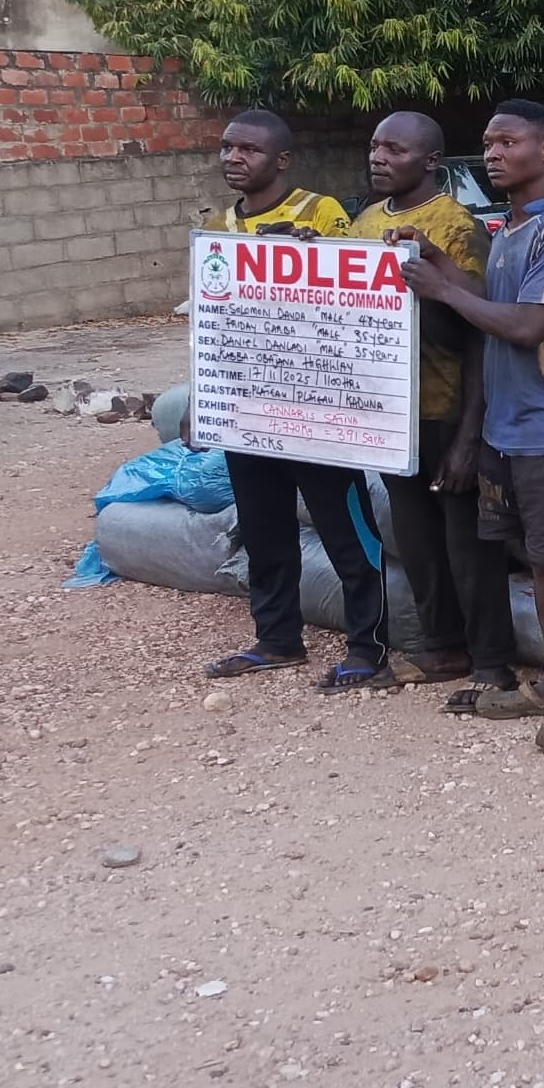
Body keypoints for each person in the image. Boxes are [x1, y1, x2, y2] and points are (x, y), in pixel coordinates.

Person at [399, 100, 544, 752]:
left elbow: (528, 325)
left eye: (507, 141)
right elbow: (489, 299)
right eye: (487, 143)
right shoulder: (510, 229)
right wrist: (436, 258)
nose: (492, 153)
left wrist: (444, 292)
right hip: (509, 430)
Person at [200, 110, 397, 692]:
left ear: (281, 160)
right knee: (264, 530)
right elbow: (213, 322)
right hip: (250, 407)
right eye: (228, 148)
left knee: (346, 530)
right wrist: (203, 395)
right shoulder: (217, 226)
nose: (234, 158)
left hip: (319, 407)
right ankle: (277, 639)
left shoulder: (321, 213)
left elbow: (358, 294)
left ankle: (369, 649)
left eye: (250, 151)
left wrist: (313, 253)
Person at [347, 112, 518, 709]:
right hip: (390, 413)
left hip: (447, 409)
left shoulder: (457, 227)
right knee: (416, 541)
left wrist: (471, 435)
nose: (378, 157)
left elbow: (479, 332)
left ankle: (493, 663)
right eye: (374, 147)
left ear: (430, 162)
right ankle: (443, 646)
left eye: (394, 148)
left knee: (468, 545)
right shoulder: (364, 223)